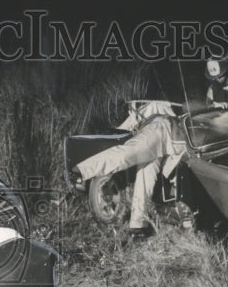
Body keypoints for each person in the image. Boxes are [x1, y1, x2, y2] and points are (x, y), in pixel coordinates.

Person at [71, 100, 186, 238]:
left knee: (141, 171)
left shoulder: (148, 107)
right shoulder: (147, 109)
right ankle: (80, 170)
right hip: (161, 131)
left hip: (166, 137)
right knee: (129, 157)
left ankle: (138, 226)